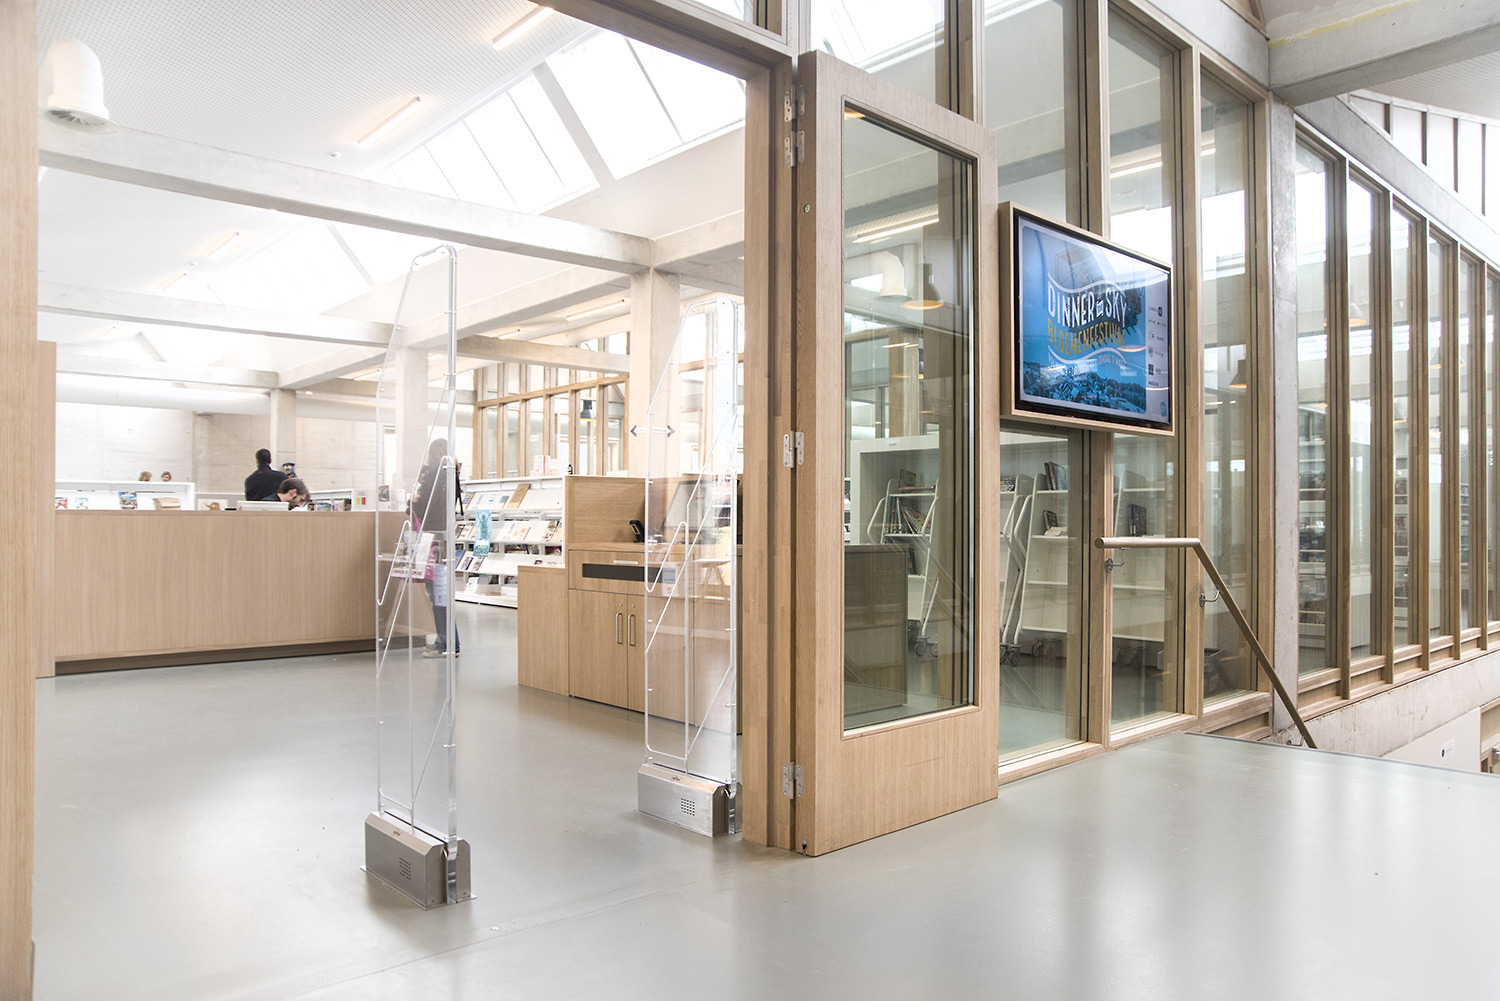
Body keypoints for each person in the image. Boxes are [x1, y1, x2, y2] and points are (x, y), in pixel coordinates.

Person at [412, 438, 459, 658]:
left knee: (437, 594)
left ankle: (445, 644)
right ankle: (447, 641)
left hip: (432, 539)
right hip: (444, 538)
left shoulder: (433, 476)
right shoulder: (452, 475)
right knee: (441, 593)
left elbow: (423, 508)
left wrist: (412, 502)